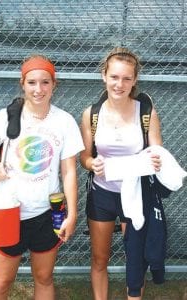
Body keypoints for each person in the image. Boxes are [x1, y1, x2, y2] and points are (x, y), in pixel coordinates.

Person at [0, 54, 84, 300]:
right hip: (8, 213)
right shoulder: (6, 116)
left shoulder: (64, 121)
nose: (38, 89)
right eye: (31, 82)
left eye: (45, 82)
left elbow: (69, 171)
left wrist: (72, 214)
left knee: (43, 278)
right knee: (1, 282)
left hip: (45, 214)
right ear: (22, 84)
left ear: (54, 85)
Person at [80, 47, 162, 300]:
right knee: (99, 257)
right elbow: (84, 157)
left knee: (135, 258)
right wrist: (92, 164)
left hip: (135, 195)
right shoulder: (91, 114)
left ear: (135, 80)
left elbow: (157, 151)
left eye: (127, 78)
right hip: (102, 194)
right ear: (104, 76)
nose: (120, 84)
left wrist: (156, 161)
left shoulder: (146, 112)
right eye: (114, 77)